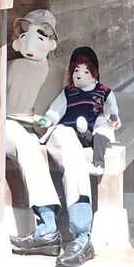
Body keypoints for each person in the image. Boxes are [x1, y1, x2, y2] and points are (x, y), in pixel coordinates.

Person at [4, 20, 102, 267]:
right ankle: (46, 227)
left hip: (49, 124)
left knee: (70, 143)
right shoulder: (7, 67)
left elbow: (75, 99)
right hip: (12, 125)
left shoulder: (60, 71)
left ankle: (82, 235)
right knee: (27, 147)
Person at [41, 46, 120, 175]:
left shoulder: (103, 91)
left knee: (102, 132)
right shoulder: (68, 92)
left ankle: (99, 165)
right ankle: (82, 135)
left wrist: (112, 118)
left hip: (93, 130)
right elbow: (57, 108)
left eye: (86, 71)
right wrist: (48, 119)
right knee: (64, 135)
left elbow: (111, 109)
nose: (79, 75)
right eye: (76, 70)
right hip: (71, 131)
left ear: (94, 73)